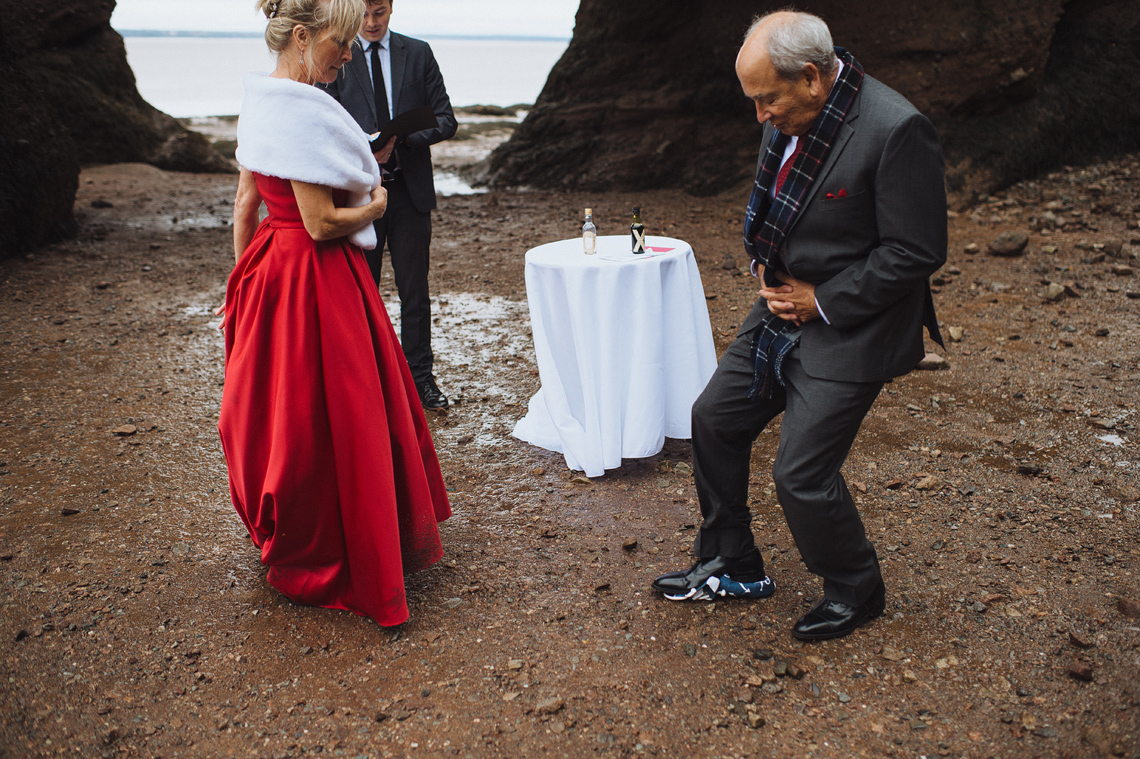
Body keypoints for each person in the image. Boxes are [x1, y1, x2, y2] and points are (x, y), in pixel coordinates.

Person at [651, 11, 947, 641]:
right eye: (754, 100)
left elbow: (916, 252)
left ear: (812, 77)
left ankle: (856, 588)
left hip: (851, 323)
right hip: (782, 306)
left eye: (767, 99)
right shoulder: (789, 110)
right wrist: (767, 261)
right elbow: (777, 201)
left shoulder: (897, 129)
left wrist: (825, 300)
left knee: (800, 475)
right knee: (714, 420)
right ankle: (733, 563)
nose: (760, 116)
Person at [219, 0, 451, 628]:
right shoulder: (299, 111)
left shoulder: (260, 99)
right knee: (342, 415)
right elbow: (322, 224)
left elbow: (245, 205)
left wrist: (246, 282)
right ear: (301, 37)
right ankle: (344, 549)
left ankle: (296, 531)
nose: (347, 56)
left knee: (275, 408)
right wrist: (374, 206)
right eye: (339, 45)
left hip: (270, 267)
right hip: (316, 275)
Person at [318, 0, 457, 410]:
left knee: (416, 293)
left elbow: (446, 119)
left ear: (391, 8)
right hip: (361, 195)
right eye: (363, 15)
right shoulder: (339, 57)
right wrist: (365, 145)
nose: (371, 23)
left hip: (411, 194)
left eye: (379, 12)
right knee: (364, 293)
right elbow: (326, 123)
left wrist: (405, 138)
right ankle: (369, 384)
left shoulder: (418, 53)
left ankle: (421, 382)